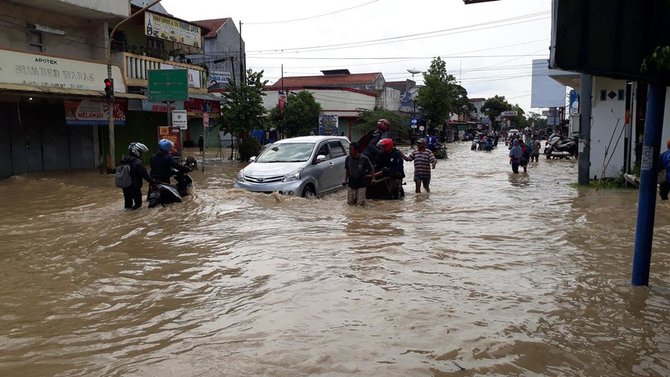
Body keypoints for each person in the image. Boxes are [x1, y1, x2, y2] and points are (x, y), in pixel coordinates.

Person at [121, 142, 155, 210]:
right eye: (140, 151)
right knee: (138, 205)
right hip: (135, 186)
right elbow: (145, 175)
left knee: (127, 206)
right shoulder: (138, 162)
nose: (141, 153)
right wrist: (153, 181)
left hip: (125, 186)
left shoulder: (125, 159)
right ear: (136, 151)